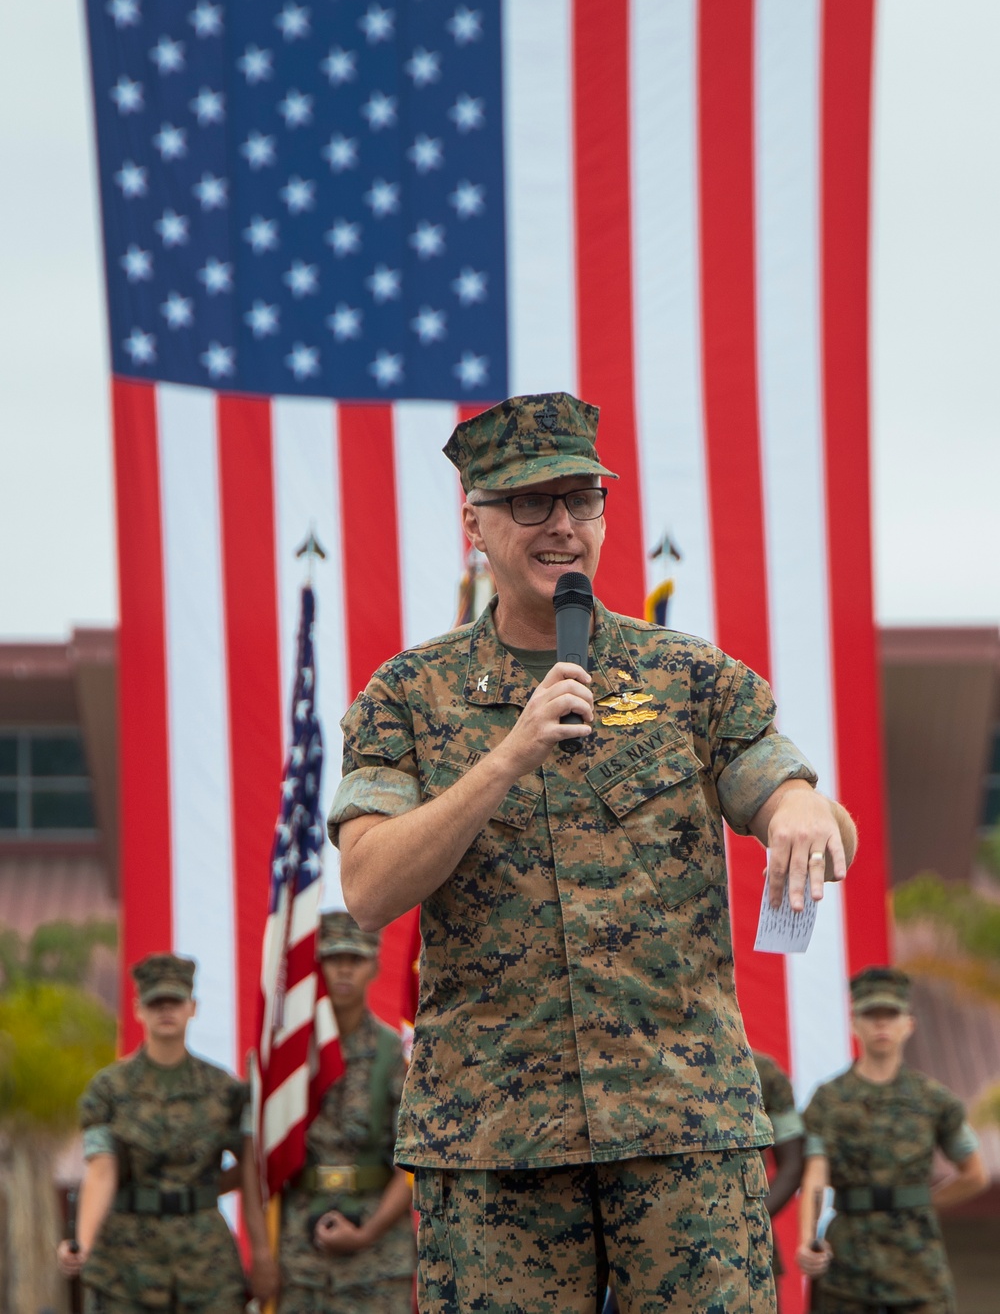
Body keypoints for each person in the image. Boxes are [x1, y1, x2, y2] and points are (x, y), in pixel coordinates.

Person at [329, 391, 857, 1314]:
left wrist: (803, 806)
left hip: (681, 1127)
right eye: (531, 503)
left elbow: (784, 792)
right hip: (496, 1142)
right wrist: (509, 755)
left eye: (582, 499)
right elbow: (370, 890)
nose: (562, 526)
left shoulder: (689, 676)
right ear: (475, 523)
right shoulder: (406, 696)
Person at [57, 952, 276, 1313]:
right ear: (138, 1009)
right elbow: (101, 1172)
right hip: (127, 1265)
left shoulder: (225, 1091)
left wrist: (263, 1254)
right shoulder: (109, 1090)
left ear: (193, 1007)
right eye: (154, 1001)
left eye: (174, 1000)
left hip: (206, 1264)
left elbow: (250, 1174)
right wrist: (83, 1243)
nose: (165, 1010)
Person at [796, 966, 989, 1313]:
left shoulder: (933, 1099)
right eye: (871, 1015)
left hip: (916, 1266)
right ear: (855, 1023)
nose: (881, 1024)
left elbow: (975, 1173)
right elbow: (815, 1176)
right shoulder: (828, 1099)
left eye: (891, 1014)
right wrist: (806, 1241)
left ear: (908, 1024)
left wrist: (924, 1203)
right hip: (848, 1267)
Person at [278, 910, 415, 1314]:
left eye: (354, 959)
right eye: (333, 958)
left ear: (374, 966)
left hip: (377, 1252)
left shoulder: (394, 1056)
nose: (343, 970)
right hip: (302, 1249)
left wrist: (365, 1233)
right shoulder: (291, 1059)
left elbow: (410, 1166)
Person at [753, 1052, 806, 1311]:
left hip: (748, 1252)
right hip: (651, 1250)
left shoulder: (761, 1071)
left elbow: (793, 1165)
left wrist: (753, 1218)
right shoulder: (637, 1059)